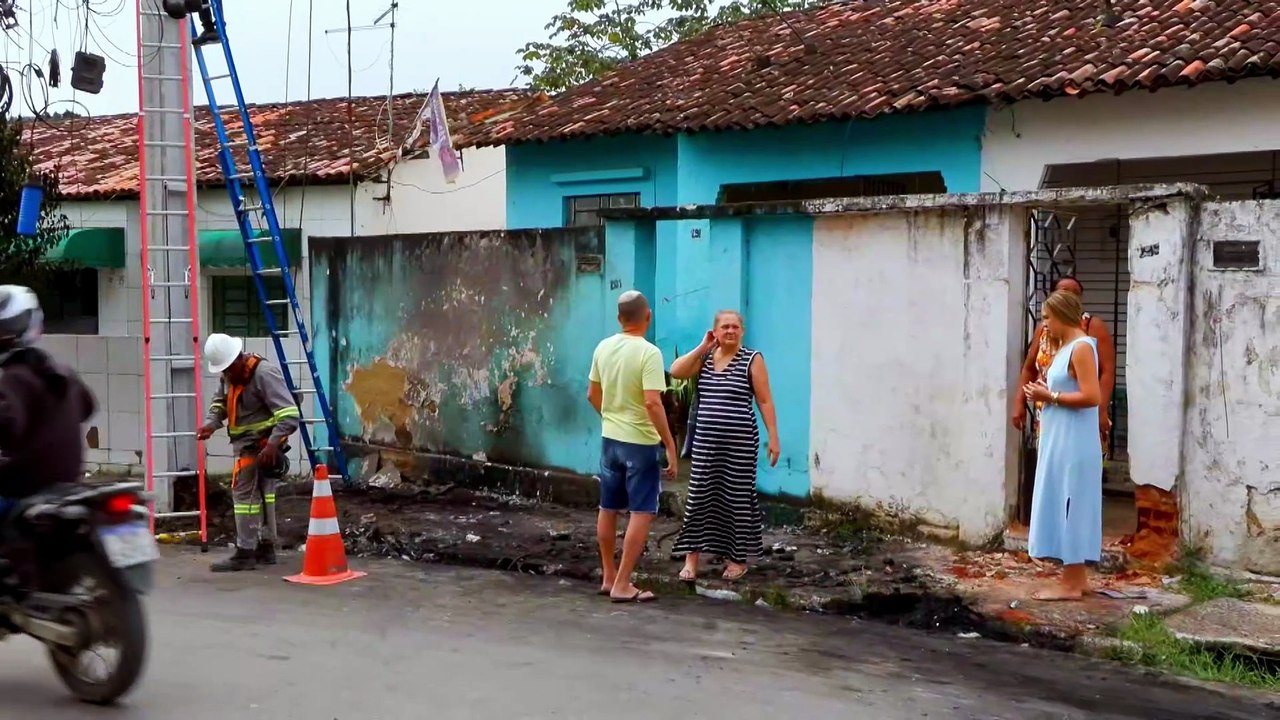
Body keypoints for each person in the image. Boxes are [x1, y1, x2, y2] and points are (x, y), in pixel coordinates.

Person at [669, 310, 779, 582]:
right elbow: (676, 371)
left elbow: (765, 401)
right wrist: (702, 346)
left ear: (741, 331)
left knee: (736, 500)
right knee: (698, 498)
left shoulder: (752, 359)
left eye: (735, 327)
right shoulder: (705, 358)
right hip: (706, 444)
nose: (730, 331)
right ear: (715, 331)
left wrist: (773, 437)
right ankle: (691, 561)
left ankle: (736, 561)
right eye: (724, 327)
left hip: (740, 445)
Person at [587, 291, 677, 603]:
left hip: (610, 440)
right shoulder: (649, 353)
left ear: (618, 318)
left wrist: (611, 418)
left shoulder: (603, 347)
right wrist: (669, 443)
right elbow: (653, 402)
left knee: (608, 507)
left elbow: (592, 395)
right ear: (648, 316)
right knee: (642, 511)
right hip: (640, 443)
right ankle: (623, 583)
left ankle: (608, 575)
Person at [1022, 290, 1104, 601]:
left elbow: (1091, 396)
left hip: (1073, 442)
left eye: (1046, 318)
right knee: (1067, 501)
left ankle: (1070, 583)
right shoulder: (1067, 348)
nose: (1044, 325)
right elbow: (1068, 387)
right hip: (1060, 439)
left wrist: (1050, 397)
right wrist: (1045, 391)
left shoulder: (1082, 347)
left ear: (1061, 316)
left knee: (1072, 503)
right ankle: (1076, 577)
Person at [198, 333, 299, 572]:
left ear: (238, 360)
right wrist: (212, 423)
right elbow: (220, 402)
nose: (226, 376)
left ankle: (245, 552)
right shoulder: (229, 375)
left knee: (244, 498)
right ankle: (265, 548)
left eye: (228, 370)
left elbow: (289, 414)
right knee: (264, 496)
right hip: (251, 446)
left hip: (261, 446)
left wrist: (273, 444)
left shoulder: (264, 374)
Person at [0, 286, 96, 512]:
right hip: (68, 482)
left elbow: (8, 425)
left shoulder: (16, 377)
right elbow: (87, 407)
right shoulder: (60, 372)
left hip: (28, 486)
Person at [1012, 276, 1116, 452]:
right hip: (1048, 411)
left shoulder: (1091, 329)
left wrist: (1101, 409)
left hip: (1080, 412)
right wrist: (1019, 402)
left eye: (1076, 293)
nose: (1071, 296)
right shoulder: (1044, 329)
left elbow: (1107, 371)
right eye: (1064, 291)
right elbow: (1029, 368)